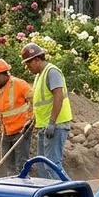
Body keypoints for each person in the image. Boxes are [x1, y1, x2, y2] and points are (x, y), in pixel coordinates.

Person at [20, 42, 72, 178]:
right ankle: (51, 192)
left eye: (29, 64)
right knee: (43, 166)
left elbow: (58, 96)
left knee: (52, 165)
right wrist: (32, 121)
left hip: (56, 125)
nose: (28, 68)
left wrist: (52, 122)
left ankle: (73, 191)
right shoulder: (39, 76)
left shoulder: (52, 72)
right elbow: (42, 104)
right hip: (45, 126)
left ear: (37, 59)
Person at [0, 58, 34, 176]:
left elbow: (33, 99)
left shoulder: (19, 84)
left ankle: (23, 185)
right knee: (6, 164)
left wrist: (30, 119)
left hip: (21, 131)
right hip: (6, 132)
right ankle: (11, 184)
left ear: (6, 74)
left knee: (21, 165)